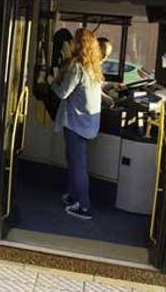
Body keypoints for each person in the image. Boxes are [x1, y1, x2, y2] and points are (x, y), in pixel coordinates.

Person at [51, 27, 103, 220]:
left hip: (75, 123)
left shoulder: (77, 67)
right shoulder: (93, 67)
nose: (70, 43)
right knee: (74, 161)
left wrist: (51, 81)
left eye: (73, 40)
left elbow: (63, 93)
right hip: (88, 124)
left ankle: (83, 206)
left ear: (78, 44)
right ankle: (73, 195)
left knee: (77, 164)